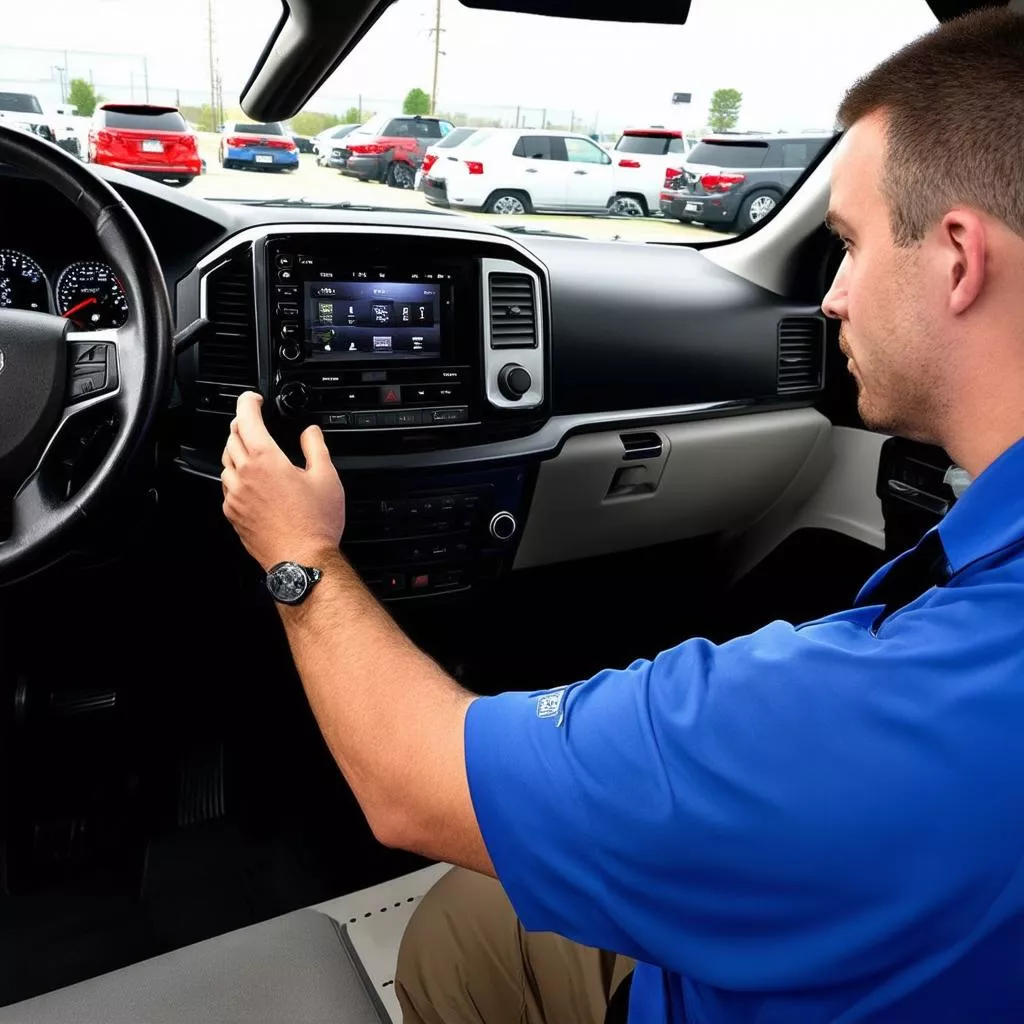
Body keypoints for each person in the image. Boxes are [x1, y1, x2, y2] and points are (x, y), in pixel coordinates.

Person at [220, 8, 1024, 1021]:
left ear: (958, 258)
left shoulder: (875, 713)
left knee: (462, 921)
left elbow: (410, 784)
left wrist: (295, 548)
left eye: (849, 247)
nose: (829, 300)